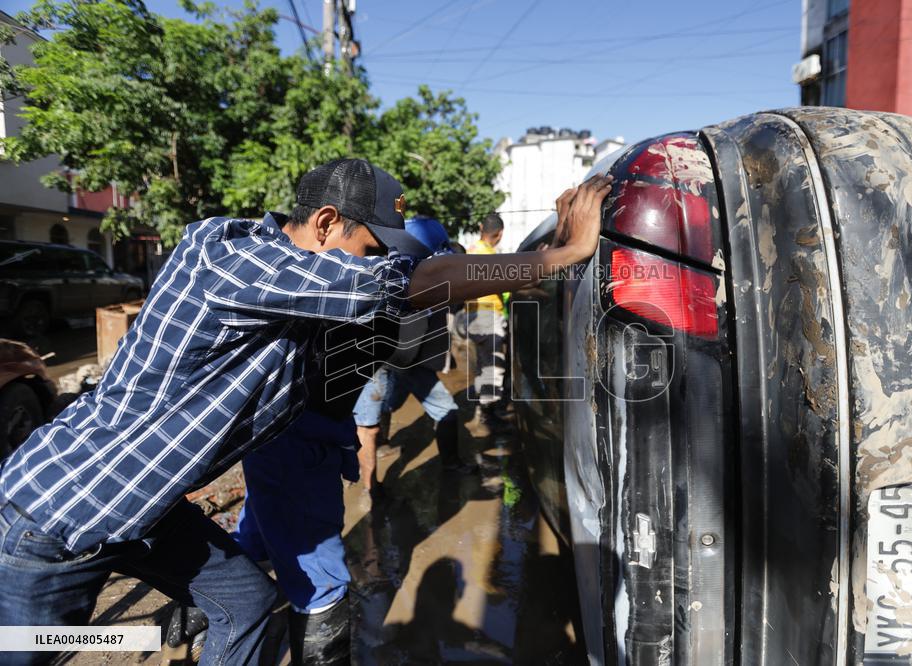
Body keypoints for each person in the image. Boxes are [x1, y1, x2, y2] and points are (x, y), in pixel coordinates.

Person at [0, 154, 612, 665]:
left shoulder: (293, 293)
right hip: (61, 514)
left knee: (246, 605)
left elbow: (416, 300)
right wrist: (561, 255)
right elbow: (414, 284)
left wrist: (556, 254)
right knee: (38, 648)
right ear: (325, 223)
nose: (376, 264)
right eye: (370, 249)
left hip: (147, 511)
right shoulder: (235, 264)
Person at [354, 217, 471, 502]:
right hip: (376, 362)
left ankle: (451, 463)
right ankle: (371, 487)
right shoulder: (382, 276)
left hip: (410, 362)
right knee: (367, 427)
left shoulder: (431, 277)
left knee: (447, 411)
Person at [461, 213, 512, 431]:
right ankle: (488, 417)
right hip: (489, 316)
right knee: (493, 367)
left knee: (483, 365)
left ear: (482, 228)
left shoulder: (471, 250)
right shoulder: (491, 256)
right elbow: (507, 287)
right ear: (499, 234)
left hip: (472, 315)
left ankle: (482, 410)